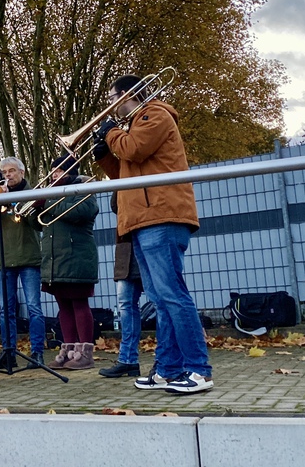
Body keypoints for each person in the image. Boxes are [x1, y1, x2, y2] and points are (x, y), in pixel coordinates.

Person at [95, 73, 212, 394]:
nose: (109, 106)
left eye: (111, 98)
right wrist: (103, 154)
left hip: (162, 215)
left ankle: (199, 369)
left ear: (125, 95)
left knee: (172, 296)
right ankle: (168, 369)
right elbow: (126, 174)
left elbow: (133, 150)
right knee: (160, 300)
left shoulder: (155, 114)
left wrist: (112, 135)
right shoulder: (135, 125)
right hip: (143, 218)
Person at [32, 155, 99, 370]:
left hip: (76, 257)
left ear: (70, 172)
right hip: (55, 260)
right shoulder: (52, 193)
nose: (53, 175)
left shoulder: (84, 188)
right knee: (63, 305)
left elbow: (81, 212)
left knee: (79, 303)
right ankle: (69, 350)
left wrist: (48, 202)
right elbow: (38, 224)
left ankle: (85, 353)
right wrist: (34, 207)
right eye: (53, 171)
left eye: (58, 171)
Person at [0, 157, 45, 370]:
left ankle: (37, 353)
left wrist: (18, 202)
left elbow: (37, 224)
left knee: (34, 308)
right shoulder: (0, 193)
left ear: (22, 172)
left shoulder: (32, 192)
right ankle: (8, 353)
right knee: (5, 311)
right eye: (4, 172)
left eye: (12, 171)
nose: (7, 175)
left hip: (28, 257)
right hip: (6, 258)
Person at [98, 196, 144, 379]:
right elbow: (115, 205)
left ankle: (169, 362)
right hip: (127, 247)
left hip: (149, 240)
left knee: (162, 302)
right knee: (125, 304)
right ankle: (128, 360)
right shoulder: (122, 177)